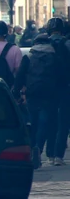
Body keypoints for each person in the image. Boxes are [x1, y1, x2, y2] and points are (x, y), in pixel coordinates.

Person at [14, 33, 59, 168]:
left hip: (32, 94)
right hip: (49, 95)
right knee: (44, 122)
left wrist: (17, 92)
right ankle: (38, 148)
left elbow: (20, 75)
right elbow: (60, 76)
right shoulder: (55, 57)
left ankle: (33, 150)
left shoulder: (29, 56)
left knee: (33, 122)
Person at [45, 17, 70, 165]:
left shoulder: (43, 44)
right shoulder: (67, 44)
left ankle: (49, 153)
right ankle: (59, 155)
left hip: (48, 88)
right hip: (66, 87)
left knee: (50, 120)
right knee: (64, 121)